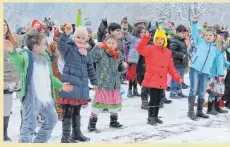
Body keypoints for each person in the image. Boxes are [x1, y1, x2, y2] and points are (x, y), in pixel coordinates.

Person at [4, 26, 73, 143]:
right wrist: (12, 52)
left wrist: (61, 85)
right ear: (36, 47)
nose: (46, 47)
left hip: (45, 98)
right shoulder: (27, 57)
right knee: (29, 125)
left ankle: (39, 142)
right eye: (44, 45)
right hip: (32, 100)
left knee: (52, 119)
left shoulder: (45, 58)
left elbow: (50, 78)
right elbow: (18, 61)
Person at [57, 23, 98, 143]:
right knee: (68, 111)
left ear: (87, 38)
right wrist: (66, 34)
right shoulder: (69, 48)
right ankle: (65, 137)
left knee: (77, 111)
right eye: (78, 37)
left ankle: (76, 133)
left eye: (83, 37)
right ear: (74, 37)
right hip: (70, 84)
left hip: (81, 86)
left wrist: (94, 82)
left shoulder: (87, 52)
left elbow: (91, 68)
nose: (80, 39)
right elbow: (60, 46)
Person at [137, 27, 183, 125]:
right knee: (153, 99)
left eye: (161, 39)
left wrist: (177, 77)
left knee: (159, 99)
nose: (159, 41)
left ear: (164, 40)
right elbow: (139, 48)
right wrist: (146, 38)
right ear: (154, 39)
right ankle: (150, 117)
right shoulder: (149, 49)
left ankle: (156, 116)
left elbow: (171, 67)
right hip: (152, 79)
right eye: (157, 39)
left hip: (161, 80)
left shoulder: (168, 52)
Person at [88, 34, 128, 132]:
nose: (111, 44)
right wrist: (95, 47)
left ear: (116, 44)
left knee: (115, 104)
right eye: (109, 42)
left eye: (113, 43)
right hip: (103, 84)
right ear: (105, 43)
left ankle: (113, 121)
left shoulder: (118, 54)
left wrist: (123, 67)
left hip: (114, 84)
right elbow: (91, 57)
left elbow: (120, 70)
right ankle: (92, 123)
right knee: (98, 104)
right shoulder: (101, 52)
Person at [188, 16, 223, 121]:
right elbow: (194, 33)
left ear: (214, 36)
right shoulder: (200, 42)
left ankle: (199, 111)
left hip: (205, 72)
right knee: (193, 90)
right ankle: (190, 112)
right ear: (204, 36)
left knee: (202, 91)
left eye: (210, 35)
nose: (208, 36)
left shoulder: (216, 48)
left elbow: (219, 61)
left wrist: (220, 73)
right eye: (206, 35)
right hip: (195, 68)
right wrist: (194, 23)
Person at [3, 20, 20, 142]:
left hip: (11, 80)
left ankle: (4, 132)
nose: (3, 27)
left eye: (5, 25)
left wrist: (17, 78)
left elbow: (16, 61)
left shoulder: (12, 41)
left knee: (7, 106)